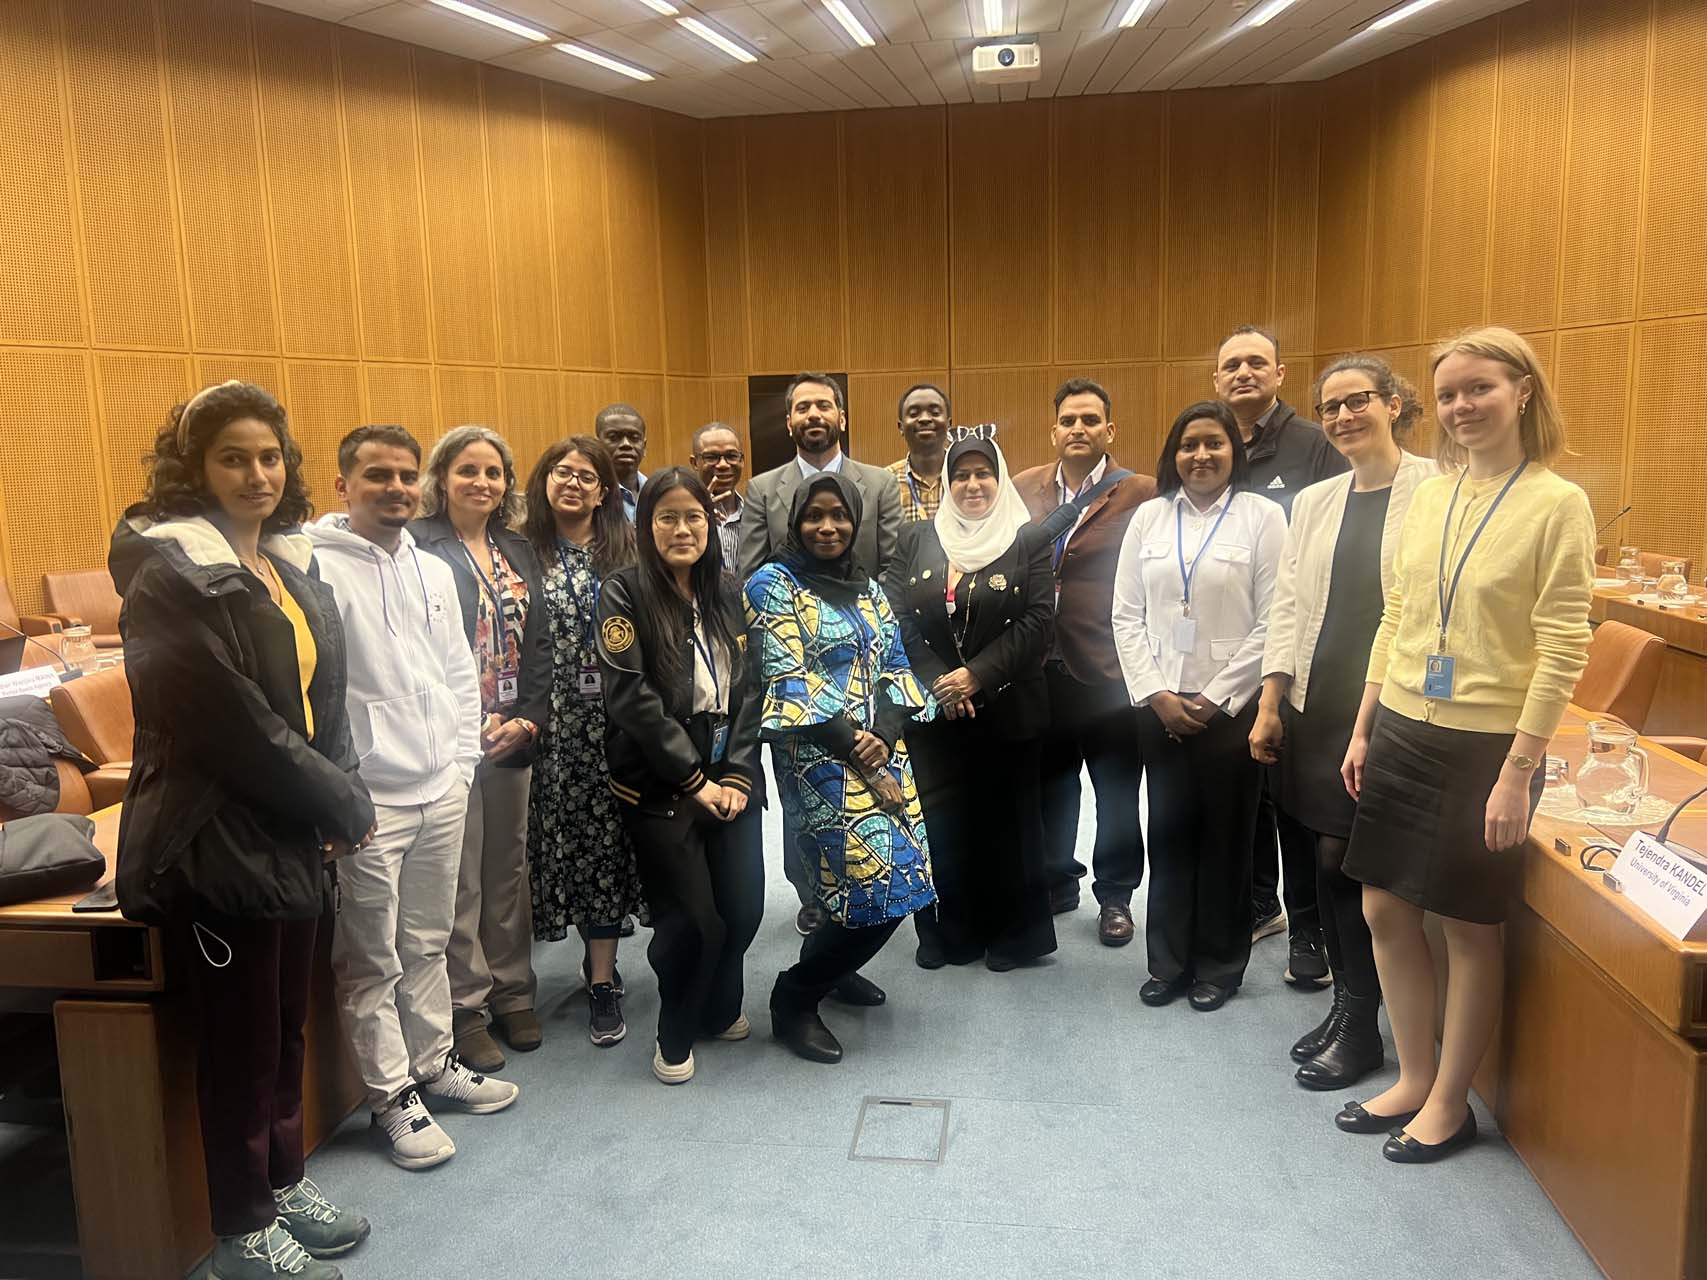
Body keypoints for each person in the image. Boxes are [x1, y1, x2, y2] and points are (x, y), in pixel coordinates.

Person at [110, 382, 373, 1279]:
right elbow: (229, 725)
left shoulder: (283, 563)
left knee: (290, 1028)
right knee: (241, 1044)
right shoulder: (167, 574)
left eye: (270, 456)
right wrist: (338, 801)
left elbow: (318, 695)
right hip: (217, 836)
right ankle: (240, 1225)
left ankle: (284, 1179)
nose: (257, 474)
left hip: (290, 831)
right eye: (233, 457)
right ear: (195, 470)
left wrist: (336, 789)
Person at [1336, 327, 1593, 1163]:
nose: (1461, 406)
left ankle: (1451, 1103)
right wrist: (1365, 722)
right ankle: (1413, 1075)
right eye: (1447, 394)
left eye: (1478, 388)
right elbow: (1397, 614)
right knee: (1382, 906)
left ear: (1522, 390)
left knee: (1465, 925)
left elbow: (1562, 648)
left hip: (1489, 744)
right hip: (1405, 723)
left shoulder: (1556, 503)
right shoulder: (1432, 494)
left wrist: (1518, 772)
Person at [309, 425, 518, 1172]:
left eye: (404, 475)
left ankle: (432, 1064)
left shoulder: (433, 568)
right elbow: (315, 694)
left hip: (442, 786)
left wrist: (461, 763)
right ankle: (390, 1095)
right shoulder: (311, 567)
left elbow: (462, 672)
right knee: (370, 959)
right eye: (377, 475)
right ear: (343, 484)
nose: (395, 487)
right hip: (371, 801)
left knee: (427, 941)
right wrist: (341, 792)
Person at [1249, 356, 1436, 1091]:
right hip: (1317, 698)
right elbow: (1289, 607)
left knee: (1350, 860)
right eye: (1329, 408)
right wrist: (1270, 701)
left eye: (1357, 401)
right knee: (1321, 855)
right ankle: (1350, 1004)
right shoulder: (1317, 499)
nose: (1342, 417)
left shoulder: (1436, 490)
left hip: (1392, 702)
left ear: (1392, 405)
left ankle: (1363, 1026)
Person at [745, 473, 935, 1063]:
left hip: (881, 752)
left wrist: (885, 731)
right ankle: (794, 998)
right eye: (814, 516)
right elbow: (785, 678)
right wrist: (858, 743)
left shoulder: (869, 588)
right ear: (794, 522)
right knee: (870, 891)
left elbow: (896, 666)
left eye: (839, 516)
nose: (827, 527)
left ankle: (828, 971)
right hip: (818, 759)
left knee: (891, 887)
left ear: (857, 522)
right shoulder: (770, 585)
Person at [1112, 401, 1286, 1012]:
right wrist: (1156, 694)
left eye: (1214, 443)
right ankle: (1169, 962)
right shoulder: (1149, 518)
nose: (1202, 455)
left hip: (1230, 712)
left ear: (1233, 452)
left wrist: (1215, 699)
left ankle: (1219, 964)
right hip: (1159, 709)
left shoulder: (1263, 518)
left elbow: (1273, 621)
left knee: (1226, 841)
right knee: (1170, 834)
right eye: (1189, 444)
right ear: (1173, 453)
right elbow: (1125, 615)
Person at [597, 468, 766, 1085]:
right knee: (694, 920)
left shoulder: (729, 589)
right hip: (663, 778)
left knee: (744, 909)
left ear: (710, 523)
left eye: (693, 516)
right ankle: (676, 1026)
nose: (682, 528)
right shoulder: (622, 592)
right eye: (666, 517)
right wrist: (697, 782)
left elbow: (755, 689)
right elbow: (631, 697)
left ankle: (720, 1007)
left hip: (732, 767)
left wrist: (741, 775)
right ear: (646, 526)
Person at [738, 372, 904, 933]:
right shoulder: (763, 489)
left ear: (842, 416)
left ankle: (846, 929)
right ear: (789, 421)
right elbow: (756, 576)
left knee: (878, 838)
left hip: (866, 658)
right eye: (802, 407)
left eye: (824, 405)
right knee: (810, 826)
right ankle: (815, 899)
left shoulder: (879, 483)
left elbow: (890, 569)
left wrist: (883, 720)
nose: (814, 414)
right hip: (802, 693)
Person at [409, 426, 550, 1072]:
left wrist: (528, 719)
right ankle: (465, 1006)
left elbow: (543, 646)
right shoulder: (417, 549)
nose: (482, 483)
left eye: (493, 472)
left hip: (513, 738)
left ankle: (513, 991)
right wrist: (466, 728)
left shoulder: (516, 548)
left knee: (506, 873)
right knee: (460, 879)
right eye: (468, 470)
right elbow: (412, 654)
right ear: (441, 478)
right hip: (453, 742)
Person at [887, 430, 1055, 970]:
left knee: (1008, 825)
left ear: (999, 479)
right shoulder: (918, 538)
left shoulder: (1026, 539)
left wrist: (976, 676)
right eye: (961, 475)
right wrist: (942, 681)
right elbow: (895, 614)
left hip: (1007, 707)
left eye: (983, 473)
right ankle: (948, 934)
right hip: (936, 716)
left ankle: (1012, 935)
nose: (973, 484)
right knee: (943, 824)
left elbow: (1038, 621)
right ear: (948, 482)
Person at [1212, 325, 1349, 985]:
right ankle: (1259, 902)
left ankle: (1308, 931)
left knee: (1292, 799)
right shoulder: (1214, 442)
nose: (1243, 372)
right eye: (1231, 364)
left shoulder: (1314, 446)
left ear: (1279, 372)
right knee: (1251, 789)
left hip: (1295, 647)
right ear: (1216, 380)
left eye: (1255, 362)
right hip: (1229, 652)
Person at [1013, 378, 1157, 946]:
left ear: (1109, 430)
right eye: (1069, 421)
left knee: (1118, 790)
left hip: (1109, 669)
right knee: (1053, 786)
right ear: (1054, 431)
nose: (1079, 429)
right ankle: (1057, 879)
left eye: (1090, 420)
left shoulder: (1141, 491)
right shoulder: (1023, 487)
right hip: (1039, 667)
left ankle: (1116, 895)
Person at [521, 437, 647, 1048]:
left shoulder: (626, 550)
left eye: (586, 476)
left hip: (617, 722)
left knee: (606, 846)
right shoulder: (520, 551)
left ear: (604, 490)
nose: (573, 483)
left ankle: (602, 978)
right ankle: (580, 961)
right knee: (561, 846)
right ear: (544, 480)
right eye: (561, 472)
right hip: (549, 728)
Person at [886, 382, 950, 523]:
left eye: (935, 413)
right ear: (901, 427)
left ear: (948, 424)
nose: (925, 419)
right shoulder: (885, 483)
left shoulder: (967, 477)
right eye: (914, 413)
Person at [689, 421, 746, 568]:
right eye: (711, 457)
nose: (723, 464)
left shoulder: (755, 513)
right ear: (695, 463)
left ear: (742, 460)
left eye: (731, 456)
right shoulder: (684, 519)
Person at [597, 403, 648, 522]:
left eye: (634, 438)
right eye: (614, 437)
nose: (626, 444)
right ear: (598, 445)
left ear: (644, 447)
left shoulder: (657, 491)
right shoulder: (589, 495)